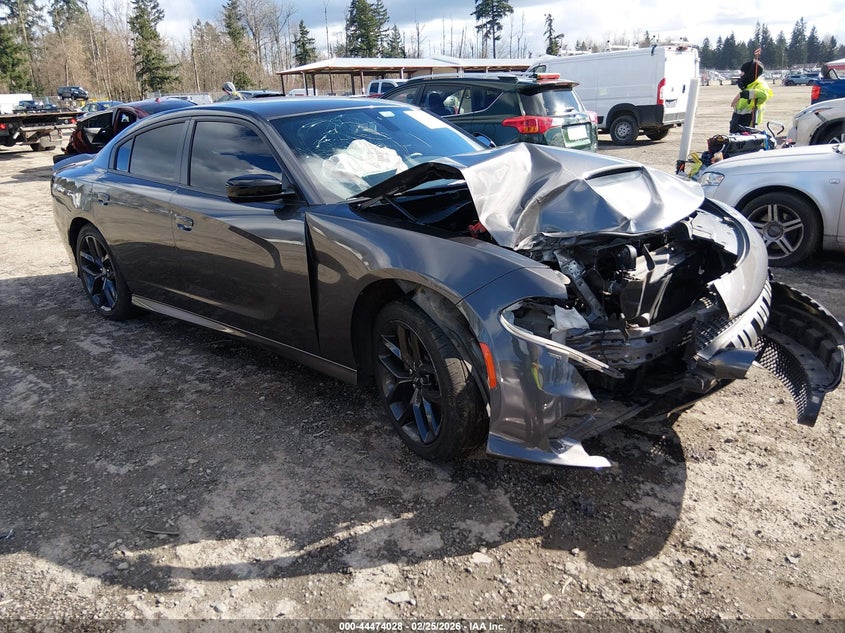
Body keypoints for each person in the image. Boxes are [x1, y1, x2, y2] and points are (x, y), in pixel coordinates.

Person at [730, 60, 772, 133]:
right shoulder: (748, 84)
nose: (740, 74)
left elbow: (763, 95)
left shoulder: (759, 84)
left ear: (749, 73)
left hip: (748, 121)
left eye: (742, 72)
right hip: (737, 120)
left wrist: (742, 94)